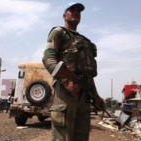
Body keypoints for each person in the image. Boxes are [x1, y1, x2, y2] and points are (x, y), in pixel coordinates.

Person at [42, 2, 98, 141]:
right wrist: (66, 81)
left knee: (81, 136)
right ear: (64, 15)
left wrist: (95, 95)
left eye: (78, 11)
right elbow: (48, 59)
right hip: (66, 92)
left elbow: (88, 74)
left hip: (84, 95)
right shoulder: (59, 32)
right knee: (63, 137)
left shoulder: (86, 42)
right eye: (71, 10)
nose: (75, 12)